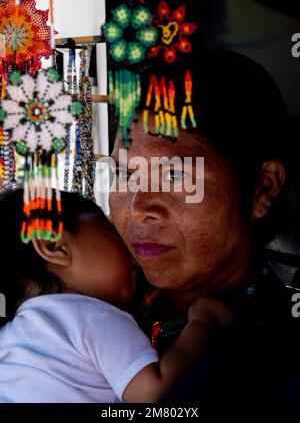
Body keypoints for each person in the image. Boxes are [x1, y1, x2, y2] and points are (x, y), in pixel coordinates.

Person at [109, 49, 300, 408]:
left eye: (176, 175)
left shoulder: (276, 367)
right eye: (126, 174)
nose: (138, 209)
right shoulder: (97, 306)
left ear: (262, 188)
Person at [0, 187, 232, 403]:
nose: (130, 246)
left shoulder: (13, 336)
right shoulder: (95, 317)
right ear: (54, 246)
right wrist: (204, 322)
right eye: (111, 232)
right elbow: (152, 390)